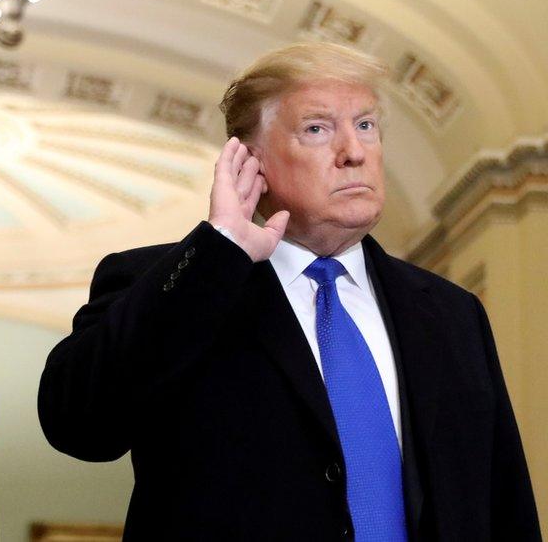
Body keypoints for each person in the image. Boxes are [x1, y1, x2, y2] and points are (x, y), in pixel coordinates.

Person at [37, 43, 540, 541]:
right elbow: (80, 426)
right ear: (252, 163)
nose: (354, 152)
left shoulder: (452, 312)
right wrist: (220, 252)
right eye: (317, 129)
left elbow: (505, 499)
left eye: (365, 125)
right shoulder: (173, 282)